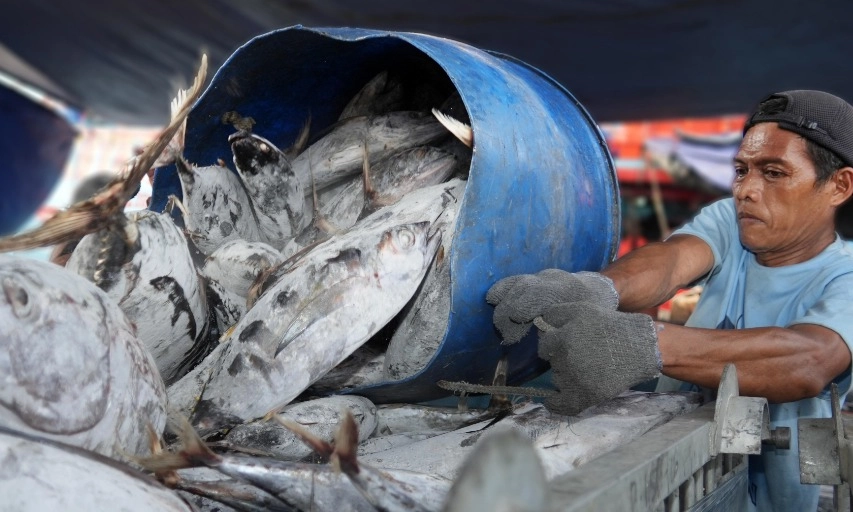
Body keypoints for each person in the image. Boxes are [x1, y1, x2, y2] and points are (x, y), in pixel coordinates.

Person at [486, 90, 853, 512]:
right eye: (741, 170)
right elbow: (672, 261)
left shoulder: (845, 276)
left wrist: (647, 343)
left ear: (839, 185)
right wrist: (598, 288)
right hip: (670, 484)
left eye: (773, 172)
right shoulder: (733, 222)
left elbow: (809, 359)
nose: (746, 190)